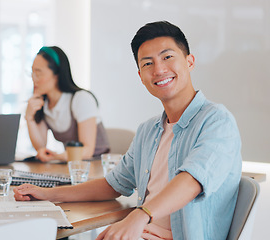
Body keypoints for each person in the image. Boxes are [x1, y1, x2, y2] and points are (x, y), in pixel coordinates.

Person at [15, 21, 242, 239]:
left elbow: (192, 180)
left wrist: (140, 215)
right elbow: (111, 185)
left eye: (168, 57)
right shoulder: (148, 130)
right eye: (147, 63)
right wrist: (48, 194)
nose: (159, 69)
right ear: (140, 76)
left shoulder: (217, 121)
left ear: (190, 61)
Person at [25, 46, 109, 162]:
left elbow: (87, 151)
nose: (34, 79)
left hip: (96, 165)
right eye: (32, 73)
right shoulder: (44, 104)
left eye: (39, 73)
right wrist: (29, 118)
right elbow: (40, 148)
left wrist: (56, 156)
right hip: (71, 165)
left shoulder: (80, 99)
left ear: (57, 74)